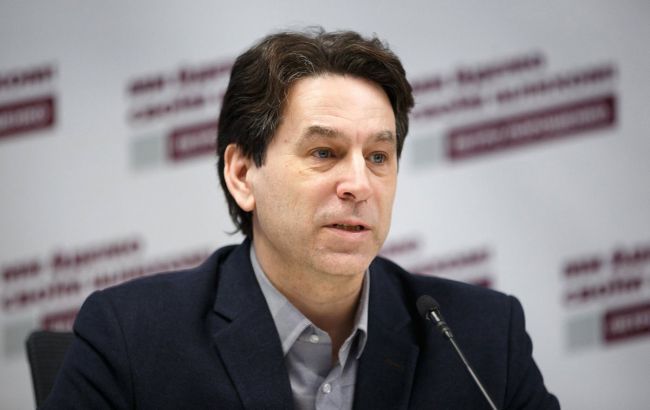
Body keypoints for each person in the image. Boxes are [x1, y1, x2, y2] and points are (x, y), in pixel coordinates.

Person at [44, 28, 559, 409]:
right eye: (323, 152)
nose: (359, 184)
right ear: (242, 174)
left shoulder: (480, 338)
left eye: (378, 157)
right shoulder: (132, 338)